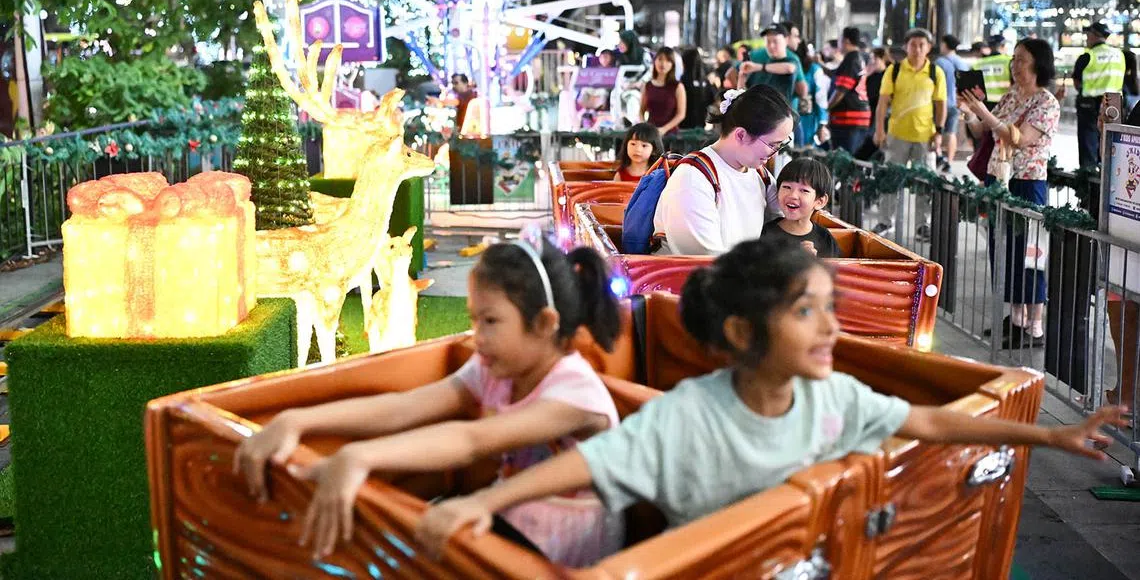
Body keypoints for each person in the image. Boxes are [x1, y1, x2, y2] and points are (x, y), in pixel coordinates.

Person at [416, 239, 1127, 557]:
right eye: (805, 312)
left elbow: (931, 420)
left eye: (829, 306)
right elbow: (585, 467)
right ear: (742, 331)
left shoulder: (836, 398)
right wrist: (480, 502)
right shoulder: (689, 414)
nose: (832, 328)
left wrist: (1051, 437)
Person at [232, 237, 624, 566]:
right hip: (503, 516)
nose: (477, 337)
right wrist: (298, 419)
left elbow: (473, 440)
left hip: (561, 551)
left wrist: (361, 456)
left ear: (543, 324)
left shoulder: (576, 395)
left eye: (490, 321)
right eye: (474, 320)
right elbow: (405, 407)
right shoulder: (496, 367)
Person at [960, 39, 1061, 348]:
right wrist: (968, 112)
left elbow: (1019, 138)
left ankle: (1035, 325)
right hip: (999, 179)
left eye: (1022, 61)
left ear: (1039, 65)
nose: (1015, 66)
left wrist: (984, 114)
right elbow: (982, 132)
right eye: (1014, 60)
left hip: (1027, 181)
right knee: (1001, 248)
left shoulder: (1046, 103)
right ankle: (1015, 319)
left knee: (1029, 252)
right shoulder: (1011, 96)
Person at [651, 85, 792, 256]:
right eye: (772, 145)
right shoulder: (692, 178)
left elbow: (787, 225)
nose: (775, 153)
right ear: (741, 135)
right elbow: (704, 259)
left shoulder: (760, 175)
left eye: (781, 144)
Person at [872, 28, 947, 239]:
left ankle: (923, 225)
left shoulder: (935, 72)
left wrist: (939, 132)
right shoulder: (894, 70)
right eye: (913, 44)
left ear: (929, 48)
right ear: (906, 47)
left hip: (926, 136)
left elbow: (941, 105)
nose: (917, 49)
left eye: (922, 45)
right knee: (890, 180)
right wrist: (880, 130)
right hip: (897, 136)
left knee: (924, 182)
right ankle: (885, 221)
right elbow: (882, 103)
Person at [1056, 21, 1126, 168]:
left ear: (1094, 36)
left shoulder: (1088, 55)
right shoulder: (1119, 55)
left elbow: (1076, 82)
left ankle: (1088, 181)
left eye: (1088, 35)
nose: (1087, 38)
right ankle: (1109, 176)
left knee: (1088, 143)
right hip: (1113, 104)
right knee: (1111, 142)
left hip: (1089, 104)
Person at [762, 158, 840, 258]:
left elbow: (832, 271)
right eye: (787, 187)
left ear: (820, 201)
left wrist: (812, 263)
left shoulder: (825, 238)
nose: (793, 195)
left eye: (804, 190)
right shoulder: (767, 232)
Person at [740, 24, 808, 109]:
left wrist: (759, 67)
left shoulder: (792, 59)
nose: (771, 46)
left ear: (786, 40)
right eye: (768, 41)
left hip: (781, 112)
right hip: (756, 110)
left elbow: (790, 68)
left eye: (775, 41)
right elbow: (740, 78)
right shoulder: (754, 55)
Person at [827, 27, 871, 154]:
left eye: (840, 39)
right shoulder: (859, 57)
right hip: (857, 118)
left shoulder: (851, 59)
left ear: (845, 41)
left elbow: (841, 90)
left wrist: (827, 108)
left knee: (844, 160)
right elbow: (837, 77)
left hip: (848, 120)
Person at [935, 34, 969, 170]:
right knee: (951, 132)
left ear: (944, 45)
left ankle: (938, 155)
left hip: (940, 102)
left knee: (936, 130)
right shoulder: (962, 63)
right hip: (956, 103)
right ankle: (949, 161)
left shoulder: (940, 62)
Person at [640, 47, 687, 135]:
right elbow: (641, 111)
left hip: (671, 135)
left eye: (668, 60)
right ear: (654, 61)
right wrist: (644, 126)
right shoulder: (647, 85)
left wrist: (663, 129)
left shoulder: (678, 87)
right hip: (650, 134)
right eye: (660, 59)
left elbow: (681, 114)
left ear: (672, 64)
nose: (663, 64)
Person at [977, 35, 1012, 111]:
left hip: (982, 104)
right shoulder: (1009, 61)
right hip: (1004, 103)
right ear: (1003, 46)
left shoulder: (978, 64)